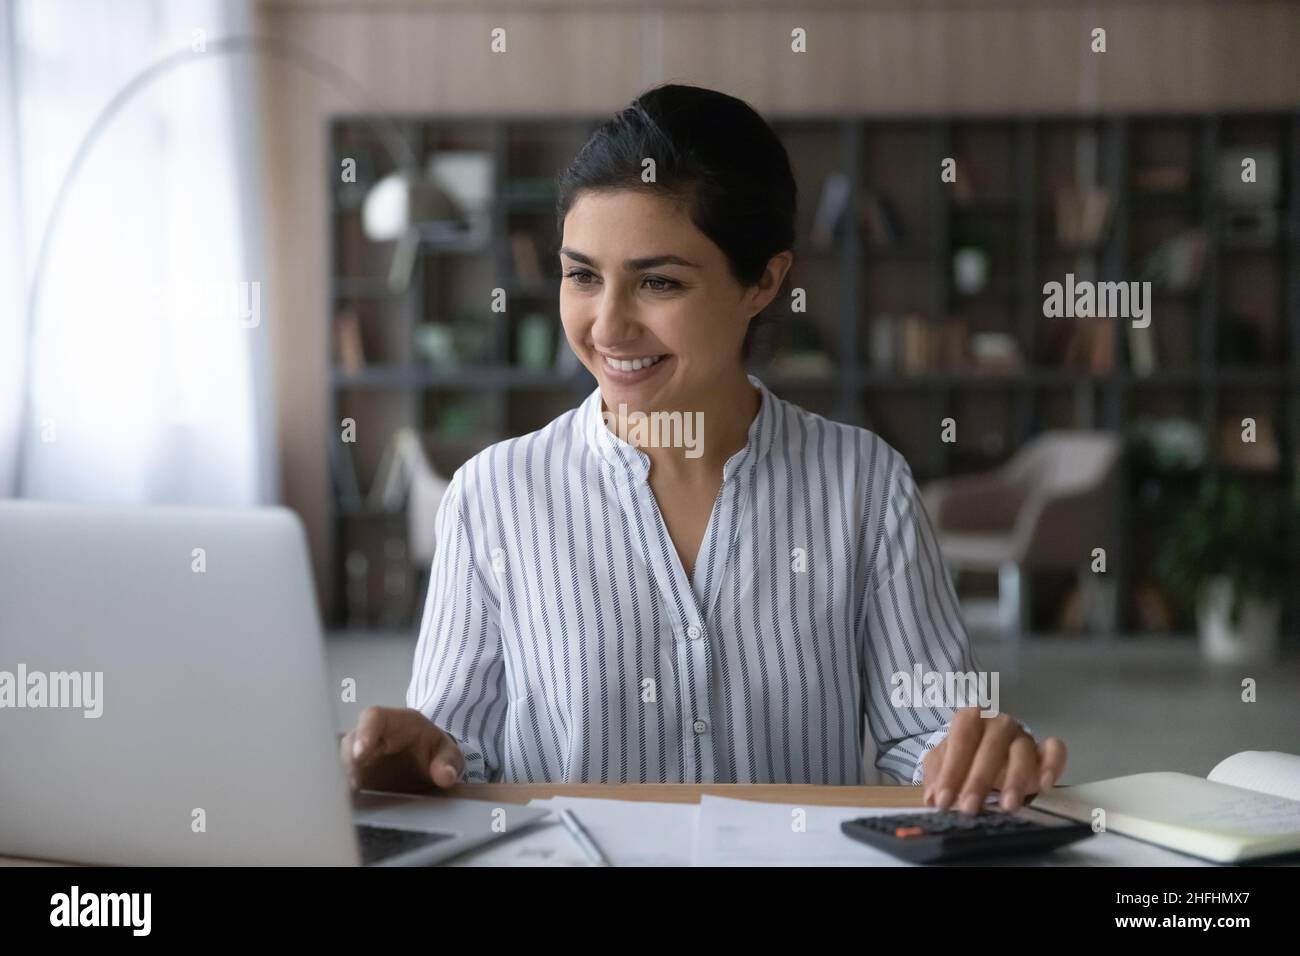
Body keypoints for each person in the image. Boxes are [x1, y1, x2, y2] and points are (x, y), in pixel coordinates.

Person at [341, 83, 1066, 815]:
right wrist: (414, 764)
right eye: (582, 276)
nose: (608, 327)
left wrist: (975, 754)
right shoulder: (490, 495)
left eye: (657, 282)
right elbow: (456, 754)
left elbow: (929, 735)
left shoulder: (864, 485)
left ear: (764, 281)